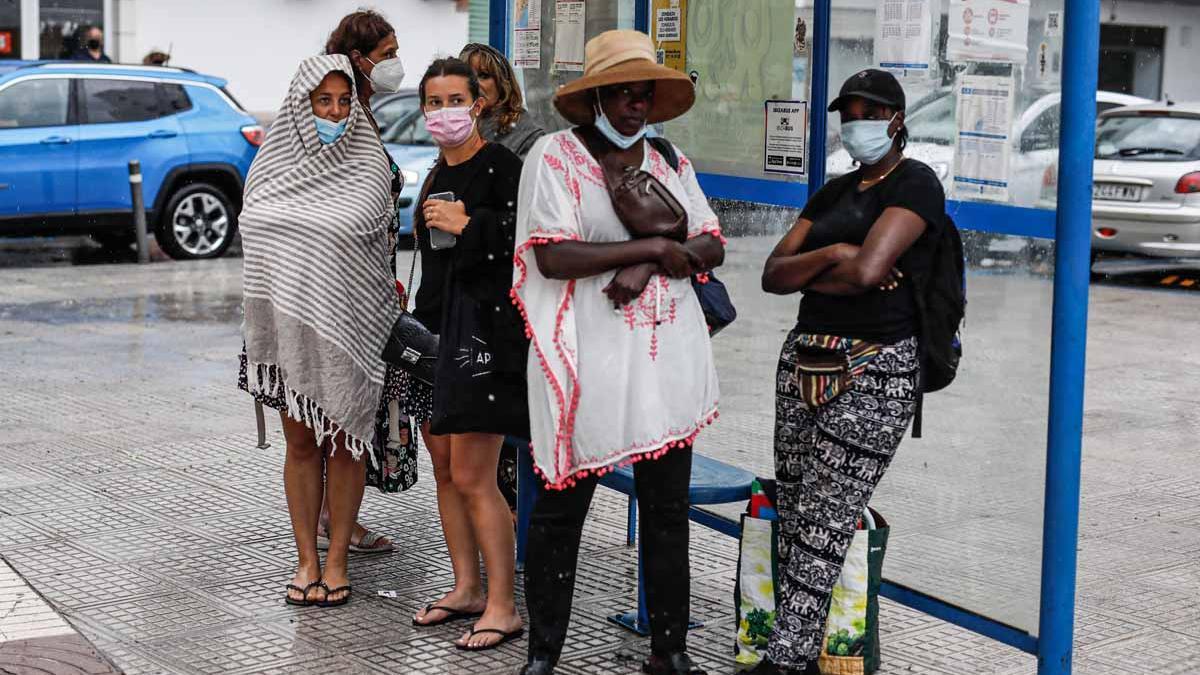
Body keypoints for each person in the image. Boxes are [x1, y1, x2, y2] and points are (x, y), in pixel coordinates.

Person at [513, 30, 725, 675]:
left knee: (666, 509)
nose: (635, 107)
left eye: (645, 95)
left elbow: (711, 243)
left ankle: (670, 652)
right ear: (597, 96)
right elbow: (552, 255)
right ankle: (544, 654)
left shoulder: (668, 160)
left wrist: (657, 266)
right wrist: (655, 252)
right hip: (587, 356)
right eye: (623, 94)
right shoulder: (556, 157)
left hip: (667, 358)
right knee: (561, 509)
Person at [756, 69, 946, 674]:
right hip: (804, 360)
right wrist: (838, 253)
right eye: (849, 114)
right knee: (795, 505)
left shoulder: (916, 184)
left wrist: (825, 269)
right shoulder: (834, 193)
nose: (856, 124)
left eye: (870, 112)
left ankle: (784, 661)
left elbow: (871, 277)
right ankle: (799, 653)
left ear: (896, 119)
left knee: (828, 515)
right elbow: (772, 275)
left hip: (877, 364)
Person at [237, 54, 403, 608]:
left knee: (346, 446)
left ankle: (336, 562)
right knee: (301, 443)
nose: (333, 112)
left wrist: (302, 228)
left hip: (352, 329)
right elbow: (253, 224)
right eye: (321, 101)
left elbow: (365, 230)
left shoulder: (369, 161)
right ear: (301, 104)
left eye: (341, 102)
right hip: (289, 333)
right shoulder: (272, 163)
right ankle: (305, 558)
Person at [405, 57, 529, 652]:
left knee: (477, 476)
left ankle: (504, 605)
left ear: (477, 105)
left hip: (485, 338)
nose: (445, 111)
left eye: (456, 99)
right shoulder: (433, 172)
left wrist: (468, 223)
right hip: (434, 337)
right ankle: (467, 588)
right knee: (447, 472)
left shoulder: (504, 167)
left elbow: (527, 244)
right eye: (434, 102)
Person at [315, 9, 409, 554]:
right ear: (359, 58)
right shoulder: (343, 117)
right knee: (342, 411)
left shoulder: (366, 113)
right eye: (389, 53)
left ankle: (338, 519)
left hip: (372, 284)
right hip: (344, 293)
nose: (397, 64)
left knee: (356, 410)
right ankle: (335, 523)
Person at [459, 43, 544, 159]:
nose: (474, 84)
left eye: (484, 76)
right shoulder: (460, 129)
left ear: (503, 84)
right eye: (467, 77)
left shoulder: (529, 137)